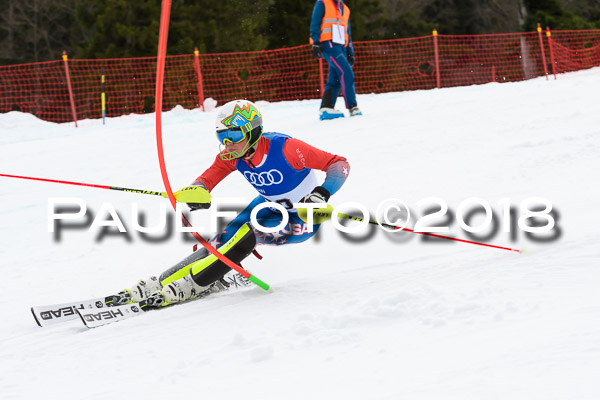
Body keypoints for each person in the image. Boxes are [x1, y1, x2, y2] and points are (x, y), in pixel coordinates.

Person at [111, 99, 350, 308]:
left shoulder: (287, 148)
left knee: (248, 234)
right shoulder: (231, 156)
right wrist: (197, 191)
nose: (227, 144)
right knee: (220, 240)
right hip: (268, 208)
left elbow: (339, 163)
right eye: (222, 137)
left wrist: (321, 193)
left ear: (253, 131)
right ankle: (162, 281)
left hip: (302, 218)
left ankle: (196, 282)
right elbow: (206, 179)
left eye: (233, 136)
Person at [310, 0, 362, 120]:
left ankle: (327, 107)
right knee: (346, 71)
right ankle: (352, 106)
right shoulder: (322, 3)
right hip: (328, 44)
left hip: (341, 47)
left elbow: (347, 32)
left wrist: (350, 52)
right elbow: (315, 23)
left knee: (336, 78)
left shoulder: (345, 9)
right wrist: (315, 42)